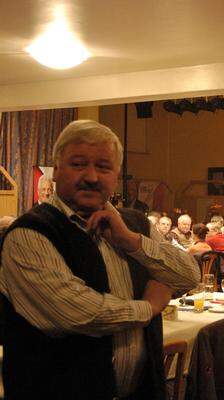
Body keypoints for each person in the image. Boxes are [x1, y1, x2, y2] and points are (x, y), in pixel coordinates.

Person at [0, 120, 200, 399]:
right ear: (56, 171)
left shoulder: (134, 224)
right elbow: (76, 314)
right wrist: (149, 307)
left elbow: (189, 276)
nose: (92, 176)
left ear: (116, 175)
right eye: (78, 164)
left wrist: (131, 241)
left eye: (103, 167)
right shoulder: (29, 233)